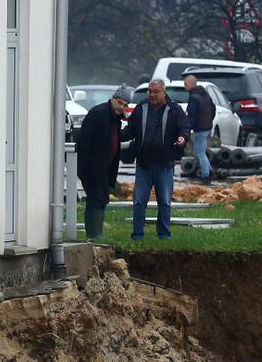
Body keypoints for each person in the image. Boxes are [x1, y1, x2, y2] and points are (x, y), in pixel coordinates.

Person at [121, 79, 191, 240]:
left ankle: (164, 235)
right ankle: (137, 235)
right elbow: (130, 130)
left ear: (164, 92)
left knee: (165, 202)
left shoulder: (174, 109)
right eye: (150, 91)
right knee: (139, 201)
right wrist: (116, 135)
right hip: (143, 163)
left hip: (164, 164)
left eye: (156, 91)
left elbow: (184, 128)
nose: (152, 95)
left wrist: (182, 138)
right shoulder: (141, 108)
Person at [76, 85, 132, 240]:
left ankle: (98, 233)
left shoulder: (115, 119)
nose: (121, 107)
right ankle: (94, 235)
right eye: (119, 102)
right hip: (91, 167)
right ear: (112, 99)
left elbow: (115, 138)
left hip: (104, 167)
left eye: (125, 105)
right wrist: (86, 167)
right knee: (95, 198)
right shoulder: (99, 113)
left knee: (102, 199)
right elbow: (84, 142)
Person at [184, 74, 215, 186]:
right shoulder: (205, 94)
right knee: (200, 151)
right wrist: (209, 120)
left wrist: (188, 128)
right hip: (207, 127)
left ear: (191, 84)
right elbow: (213, 108)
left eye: (185, 84)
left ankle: (206, 175)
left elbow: (191, 114)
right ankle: (210, 170)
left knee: (200, 152)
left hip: (200, 129)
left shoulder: (193, 97)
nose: (184, 86)